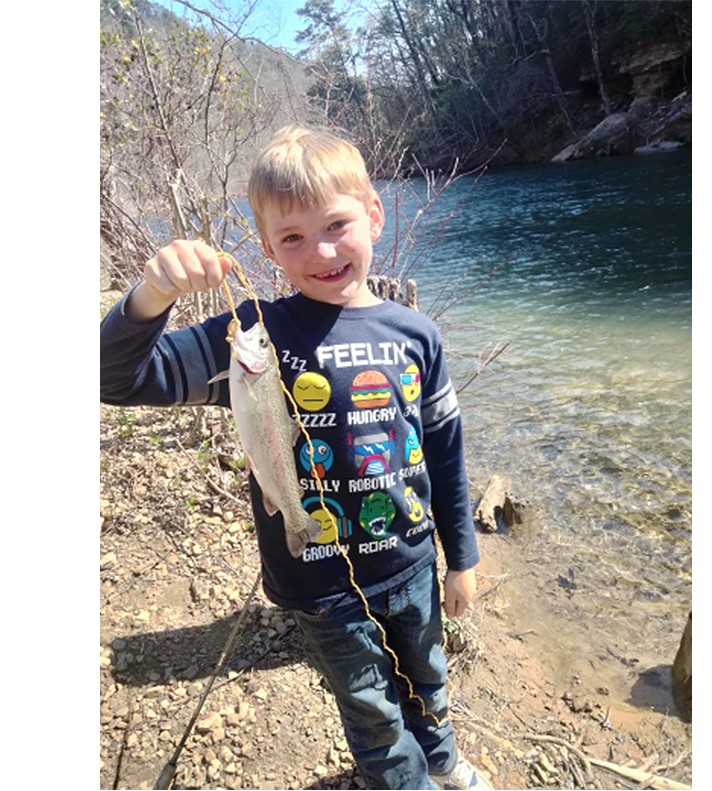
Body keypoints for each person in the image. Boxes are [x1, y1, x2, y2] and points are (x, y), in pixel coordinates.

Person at [100, 125, 492, 790]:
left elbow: (445, 454)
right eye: (292, 238)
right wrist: (151, 297)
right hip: (320, 584)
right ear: (267, 249)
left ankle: (442, 758)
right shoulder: (253, 335)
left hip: (414, 564)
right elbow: (116, 378)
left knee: (427, 674)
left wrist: (462, 557)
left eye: (337, 224)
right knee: (371, 710)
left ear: (374, 213)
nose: (321, 250)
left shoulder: (416, 335)